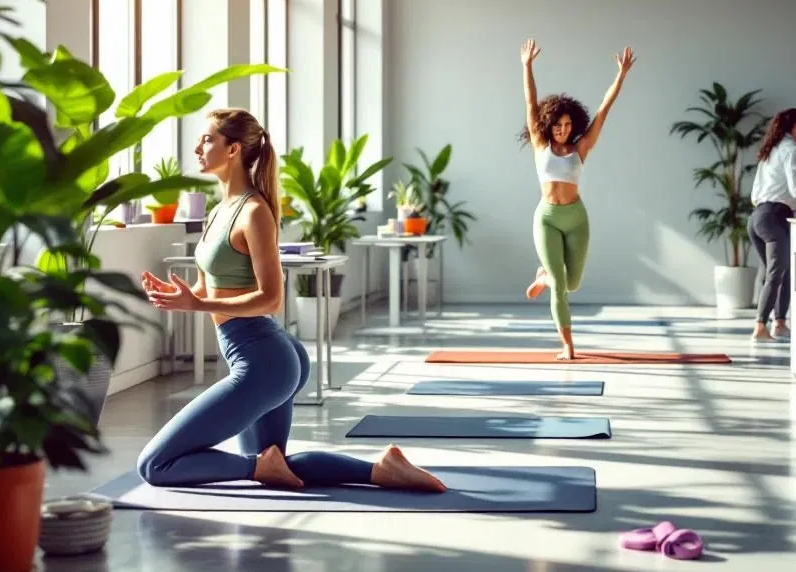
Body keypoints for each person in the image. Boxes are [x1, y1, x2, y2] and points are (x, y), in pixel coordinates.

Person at [137, 108, 446, 493]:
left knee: (154, 464)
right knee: (276, 465)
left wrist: (197, 306)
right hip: (262, 355)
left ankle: (258, 468)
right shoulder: (218, 211)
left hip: (264, 359)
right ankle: (382, 470)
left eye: (208, 139)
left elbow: (271, 299)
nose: (198, 146)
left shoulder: (254, 212)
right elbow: (211, 288)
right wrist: (184, 297)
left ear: (233, 149)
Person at [517, 38, 635, 360]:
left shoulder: (580, 148)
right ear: (549, 124)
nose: (563, 130)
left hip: (576, 218)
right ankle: (567, 344)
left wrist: (620, 77)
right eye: (558, 125)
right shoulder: (541, 145)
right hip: (547, 218)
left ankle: (543, 274)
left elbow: (603, 111)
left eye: (568, 125)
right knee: (559, 285)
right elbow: (530, 103)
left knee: (573, 283)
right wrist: (527, 66)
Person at [747, 107, 796, 343]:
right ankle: (760, 328)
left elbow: (755, 192)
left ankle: (779, 324)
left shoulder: (771, 150)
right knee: (776, 273)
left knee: (779, 271)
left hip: (757, 216)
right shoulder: (792, 149)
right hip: (774, 217)